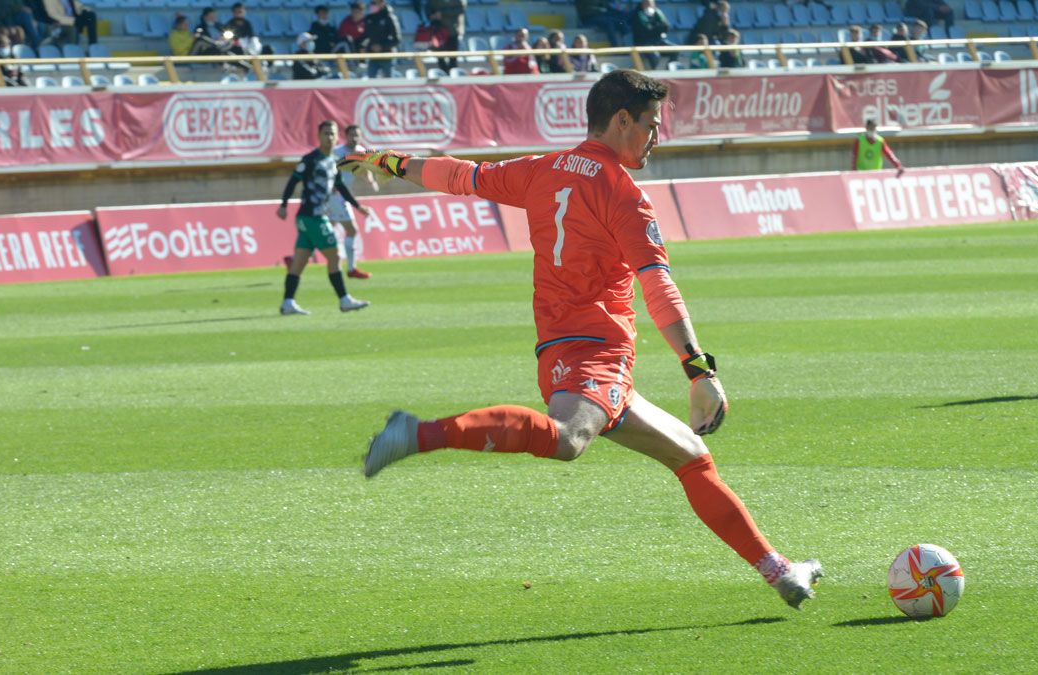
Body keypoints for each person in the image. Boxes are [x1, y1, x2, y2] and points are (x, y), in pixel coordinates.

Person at [342, 69, 824, 610]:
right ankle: (417, 433)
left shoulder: (541, 169)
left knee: (692, 457)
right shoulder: (624, 194)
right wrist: (699, 371)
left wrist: (387, 161)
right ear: (621, 121)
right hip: (595, 350)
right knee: (570, 438)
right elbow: (657, 285)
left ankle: (780, 570)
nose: (655, 137)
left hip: (564, 346)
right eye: (650, 125)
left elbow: (461, 176)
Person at [276, 120, 372, 316]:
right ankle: (345, 300)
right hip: (313, 216)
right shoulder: (311, 159)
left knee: (299, 263)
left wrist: (358, 206)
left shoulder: (333, 162)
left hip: (309, 219)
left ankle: (288, 303)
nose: (329, 137)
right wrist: (284, 205)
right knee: (334, 256)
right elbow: (293, 180)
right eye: (326, 133)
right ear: (319, 137)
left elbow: (341, 187)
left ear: (337, 138)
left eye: (332, 134)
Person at [326, 124, 376, 279]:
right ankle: (352, 269)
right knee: (352, 230)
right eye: (352, 135)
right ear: (345, 136)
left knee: (328, 228)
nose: (354, 138)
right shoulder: (338, 152)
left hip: (342, 194)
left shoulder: (361, 151)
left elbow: (363, 168)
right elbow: (328, 169)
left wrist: (370, 180)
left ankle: (294, 258)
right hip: (335, 195)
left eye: (357, 135)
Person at [362, 0, 401, 77]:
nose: (372, 5)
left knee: (388, 80)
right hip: (373, 55)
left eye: (374, 3)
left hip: (387, 55)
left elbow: (397, 39)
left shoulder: (390, 18)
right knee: (371, 79)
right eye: (371, 3)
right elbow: (365, 37)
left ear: (382, 3)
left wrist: (382, 46)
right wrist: (366, 46)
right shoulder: (368, 18)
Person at [631, 0, 674, 70]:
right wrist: (658, 27)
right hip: (644, 42)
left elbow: (666, 25)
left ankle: (669, 69)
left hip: (658, 40)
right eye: (647, 3)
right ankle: (655, 74)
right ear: (643, 4)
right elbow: (647, 30)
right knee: (655, 56)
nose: (649, 5)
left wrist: (657, 28)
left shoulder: (657, 12)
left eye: (650, 3)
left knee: (675, 50)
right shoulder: (637, 14)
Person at [424, 0, 465, 72]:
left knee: (453, 56)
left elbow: (460, 10)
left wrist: (442, 13)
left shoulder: (457, 1)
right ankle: (443, 72)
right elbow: (428, 11)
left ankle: (453, 74)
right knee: (439, 55)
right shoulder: (432, 2)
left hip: (452, 30)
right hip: (438, 31)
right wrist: (433, 15)